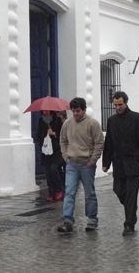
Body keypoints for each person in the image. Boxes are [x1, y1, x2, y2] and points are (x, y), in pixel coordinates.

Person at [102, 91, 139, 237]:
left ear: (126, 102)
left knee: (131, 193)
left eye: (120, 104)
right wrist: (106, 162)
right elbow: (108, 143)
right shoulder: (111, 120)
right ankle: (131, 209)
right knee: (118, 190)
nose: (118, 107)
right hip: (118, 163)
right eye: (115, 105)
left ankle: (129, 224)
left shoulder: (138, 118)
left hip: (134, 163)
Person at [57, 98, 104, 233]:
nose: (76, 114)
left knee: (89, 193)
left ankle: (92, 219)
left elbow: (99, 142)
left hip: (86, 163)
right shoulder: (67, 124)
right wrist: (66, 156)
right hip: (72, 163)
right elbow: (63, 141)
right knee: (69, 192)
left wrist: (93, 160)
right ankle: (67, 220)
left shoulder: (92, 124)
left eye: (78, 111)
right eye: (73, 111)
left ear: (84, 110)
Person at [36, 110, 65, 202]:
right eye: (44, 110)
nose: (45, 111)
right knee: (48, 173)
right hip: (46, 151)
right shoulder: (41, 121)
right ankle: (51, 192)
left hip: (57, 151)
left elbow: (63, 135)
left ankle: (59, 189)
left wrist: (54, 134)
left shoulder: (57, 120)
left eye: (47, 110)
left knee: (54, 169)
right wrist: (45, 134)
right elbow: (38, 136)